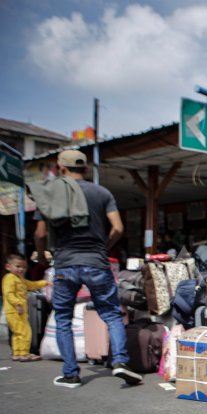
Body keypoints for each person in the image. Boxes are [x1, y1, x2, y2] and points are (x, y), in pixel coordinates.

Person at [31, 149, 142, 389]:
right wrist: (102, 247)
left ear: (61, 168)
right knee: (112, 314)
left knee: (63, 317)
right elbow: (118, 228)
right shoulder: (102, 192)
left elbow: (40, 233)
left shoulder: (51, 193)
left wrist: (41, 257)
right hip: (97, 262)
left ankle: (71, 374)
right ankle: (121, 362)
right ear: (85, 168)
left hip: (65, 263)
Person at [2, 253, 50, 362]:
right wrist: (17, 304)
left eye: (24, 267)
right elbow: (8, 294)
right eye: (18, 266)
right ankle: (24, 353)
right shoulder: (9, 278)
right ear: (8, 267)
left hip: (19, 311)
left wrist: (45, 283)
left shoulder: (20, 279)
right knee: (25, 332)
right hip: (15, 311)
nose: (21, 269)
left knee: (18, 333)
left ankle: (17, 353)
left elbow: (31, 285)